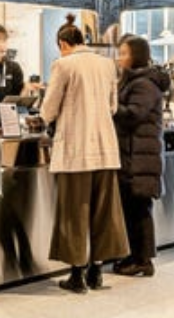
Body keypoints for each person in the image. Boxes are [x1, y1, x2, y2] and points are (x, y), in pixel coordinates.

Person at [41, 15, 128, 293]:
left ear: (63, 44)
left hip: (76, 149)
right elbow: (113, 106)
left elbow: (48, 109)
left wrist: (47, 116)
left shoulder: (63, 64)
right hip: (105, 147)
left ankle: (76, 276)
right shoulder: (107, 64)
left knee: (74, 212)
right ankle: (97, 272)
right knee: (105, 212)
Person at [112, 35, 167, 277]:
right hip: (133, 154)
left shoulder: (143, 83)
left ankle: (143, 260)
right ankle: (134, 256)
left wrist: (111, 107)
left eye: (124, 53)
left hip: (139, 156)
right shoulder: (133, 80)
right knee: (133, 207)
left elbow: (134, 114)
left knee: (138, 208)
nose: (119, 57)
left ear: (136, 56)